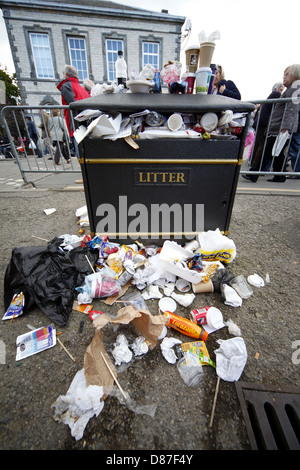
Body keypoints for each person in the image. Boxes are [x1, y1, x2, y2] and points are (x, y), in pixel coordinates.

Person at [248, 65, 300, 183]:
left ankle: (254, 173)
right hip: (280, 126)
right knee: (276, 152)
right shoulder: (292, 89)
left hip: (281, 127)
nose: (284, 77)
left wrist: (285, 127)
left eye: (287, 74)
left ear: (295, 75)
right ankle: (277, 176)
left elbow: (292, 109)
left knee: (270, 150)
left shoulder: (295, 89)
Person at [243, 82, 284, 181]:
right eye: (281, 89)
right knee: (265, 148)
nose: (282, 91)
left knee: (265, 148)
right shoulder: (276, 95)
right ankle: (255, 171)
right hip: (266, 125)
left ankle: (255, 171)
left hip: (263, 124)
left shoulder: (272, 96)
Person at [287, 109, 300, 178]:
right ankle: (296, 171)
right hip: (296, 127)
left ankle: (297, 172)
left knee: (295, 150)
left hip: (296, 127)